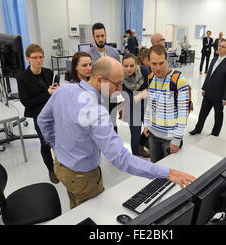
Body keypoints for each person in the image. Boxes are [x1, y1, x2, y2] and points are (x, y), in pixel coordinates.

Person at [37, 56, 195, 209]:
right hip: (82, 177)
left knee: (75, 205)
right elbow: (121, 159)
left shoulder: (64, 90)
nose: (120, 90)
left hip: (61, 166)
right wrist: (167, 173)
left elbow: (43, 120)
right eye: (118, 84)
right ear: (100, 80)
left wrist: (56, 146)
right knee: (91, 214)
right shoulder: (97, 112)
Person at [17, 44, 59, 184]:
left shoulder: (48, 72)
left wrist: (56, 90)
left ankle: (62, 165)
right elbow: (27, 102)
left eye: (41, 57)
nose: (39, 60)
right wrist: (47, 93)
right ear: (28, 58)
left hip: (54, 113)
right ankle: (51, 170)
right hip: (39, 116)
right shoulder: (22, 77)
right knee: (45, 143)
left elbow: (54, 93)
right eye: (35, 58)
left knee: (59, 140)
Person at [143, 46, 190, 163]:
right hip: (153, 135)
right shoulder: (150, 78)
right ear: (149, 62)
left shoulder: (179, 80)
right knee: (155, 168)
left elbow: (183, 113)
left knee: (171, 171)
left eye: (161, 63)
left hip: (170, 139)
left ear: (166, 60)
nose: (158, 68)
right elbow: (150, 103)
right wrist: (146, 123)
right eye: (154, 64)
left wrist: (177, 139)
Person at [189, 39, 226, 137]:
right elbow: (209, 75)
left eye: (222, 46)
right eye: (219, 45)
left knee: (218, 116)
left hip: (219, 96)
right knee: (202, 113)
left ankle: (215, 134)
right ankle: (198, 129)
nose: (219, 47)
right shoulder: (214, 59)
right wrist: (203, 88)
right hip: (208, 92)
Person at [86, 23, 121, 132]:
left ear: (106, 35)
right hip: (96, 95)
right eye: (97, 36)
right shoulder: (87, 54)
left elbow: (119, 74)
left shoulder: (114, 52)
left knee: (112, 124)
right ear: (93, 37)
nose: (100, 39)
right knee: (97, 125)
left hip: (112, 94)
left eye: (102, 35)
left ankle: (113, 147)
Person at [120, 53, 150, 158]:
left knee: (150, 130)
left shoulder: (145, 71)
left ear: (136, 64)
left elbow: (151, 89)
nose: (129, 69)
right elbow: (128, 98)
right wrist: (142, 93)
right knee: (135, 135)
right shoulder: (120, 77)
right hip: (132, 108)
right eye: (126, 66)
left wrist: (144, 93)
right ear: (122, 66)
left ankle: (141, 146)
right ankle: (135, 159)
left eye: (132, 66)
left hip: (147, 105)